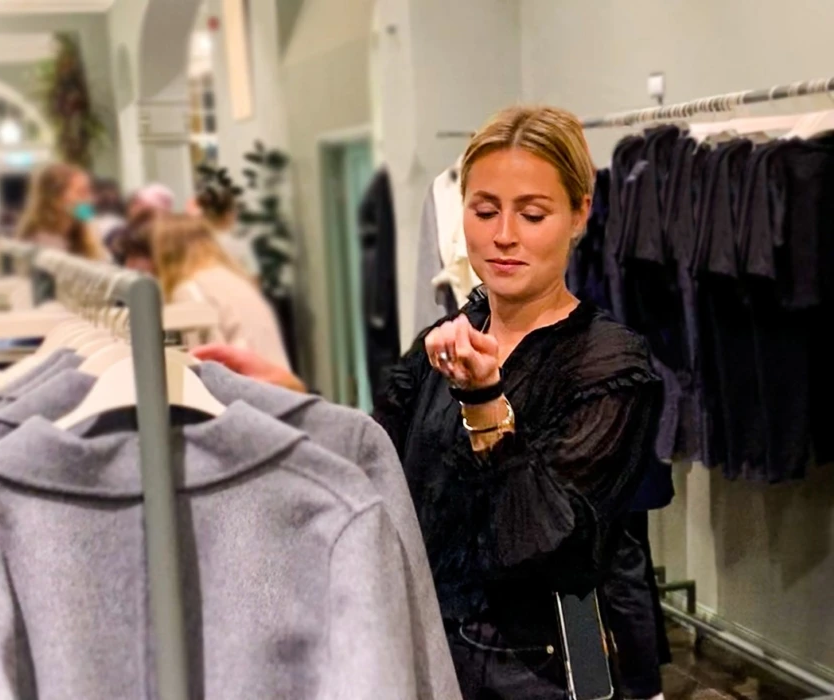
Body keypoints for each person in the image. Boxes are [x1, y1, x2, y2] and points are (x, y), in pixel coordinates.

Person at [193, 105, 663, 700]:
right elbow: (373, 455)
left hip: (535, 673)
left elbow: (549, 548)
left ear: (578, 214)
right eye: (484, 210)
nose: (503, 236)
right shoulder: (443, 342)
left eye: (533, 213)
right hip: (424, 650)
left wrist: (485, 401)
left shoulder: (610, 365)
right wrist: (281, 394)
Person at [155, 213, 290, 370]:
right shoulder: (232, 277)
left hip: (250, 387)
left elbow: (207, 361)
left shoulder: (191, 289)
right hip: (279, 384)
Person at [15, 162, 105, 260]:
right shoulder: (43, 242)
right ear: (55, 199)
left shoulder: (79, 232)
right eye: (81, 192)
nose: (90, 199)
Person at [196, 180, 260, 279]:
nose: (236, 214)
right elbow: (254, 285)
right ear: (228, 214)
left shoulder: (195, 245)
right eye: (235, 210)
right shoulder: (239, 246)